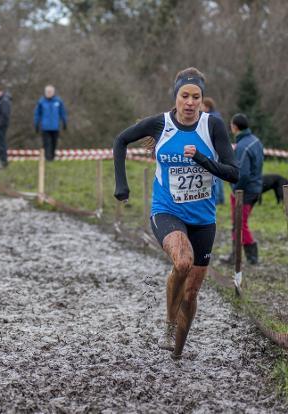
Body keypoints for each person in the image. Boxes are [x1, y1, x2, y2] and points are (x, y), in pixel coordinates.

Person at [113, 67, 239, 359]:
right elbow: (120, 140)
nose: (191, 102)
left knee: (192, 293)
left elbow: (233, 173)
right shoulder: (160, 124)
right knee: (183, 262)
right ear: (176, 97)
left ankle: (178, 352)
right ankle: (169, 323)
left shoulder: (213, 126)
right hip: (167, 211)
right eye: (185, 95)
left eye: (196, 96)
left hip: (203, 220)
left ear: (202, 99)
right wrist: (122, 184)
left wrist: (202, 159)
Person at [227, 113, 264, 266]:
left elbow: (243, 174)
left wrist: (236, 189)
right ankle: (235, 255)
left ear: (235, 127)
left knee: (240, 224)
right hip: (255, 188)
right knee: (238, 224)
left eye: (231, 125)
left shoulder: (242, 146)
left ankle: (252, 256)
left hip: (244, 191)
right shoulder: (255, 140)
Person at [202, 97, 226, 205]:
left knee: (215, 174)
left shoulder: (210, 118)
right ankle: (221, 198)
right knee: (219, 174)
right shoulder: (217, 116)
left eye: (202, 106)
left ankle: (217, 198)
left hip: (214, 149)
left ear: (207, 107)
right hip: (220, 149)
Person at [34, 85, 68, 161]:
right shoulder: (41, 102)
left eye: (50, 92)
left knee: (54, 143)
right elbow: (37, 114)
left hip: (55, 127)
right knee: (47, 143)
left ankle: (52, 157)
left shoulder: (58, 101)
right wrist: (36, 124)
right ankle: (48, 158)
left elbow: (62, 112)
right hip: (45, 127)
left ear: (53, 92)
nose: (49, 93)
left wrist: (64, 122)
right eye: (47, 92)